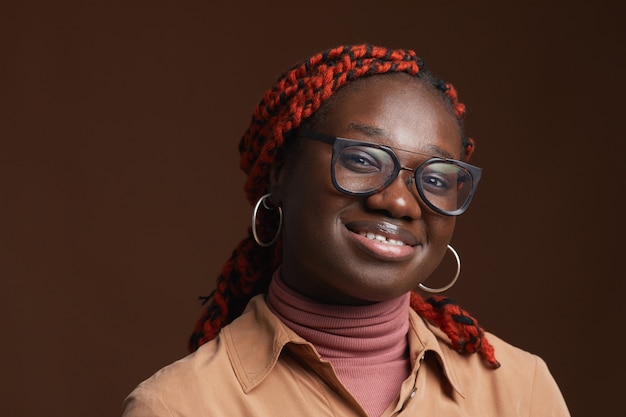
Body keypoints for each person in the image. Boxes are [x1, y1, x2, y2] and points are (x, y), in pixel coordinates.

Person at [122, 44, 570, 416]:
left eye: (434, 179)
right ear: (280, 172)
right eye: (362, 160)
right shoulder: (180, 406)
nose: (397, 201)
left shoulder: (519, 393)